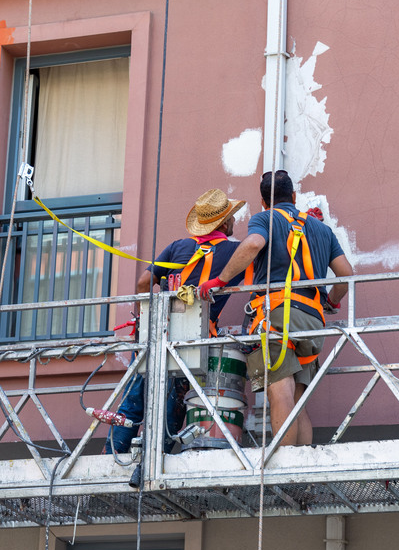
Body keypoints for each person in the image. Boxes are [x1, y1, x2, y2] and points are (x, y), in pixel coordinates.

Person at [198, 170, 352, 446]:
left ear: (263, 201)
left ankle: (283, 471)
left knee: (279, 393)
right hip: (312, 322)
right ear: (293, 196)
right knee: (298, 402)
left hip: (276, 316)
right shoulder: (322, 230)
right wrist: (331, 302)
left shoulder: (264, 219)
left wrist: (219, 281)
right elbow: (345, 274)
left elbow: (254, 244)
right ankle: (300, 483)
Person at [106, 189, 247, 454]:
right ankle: (156, 458)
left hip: (159, 336)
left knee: (135, 400)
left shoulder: (177, 247)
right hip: (194, 344)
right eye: (231, 218)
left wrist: (147, 320)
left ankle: (113, 459)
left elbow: (143, 284)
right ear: (224, 223)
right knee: (173, 406)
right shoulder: (233, 252)